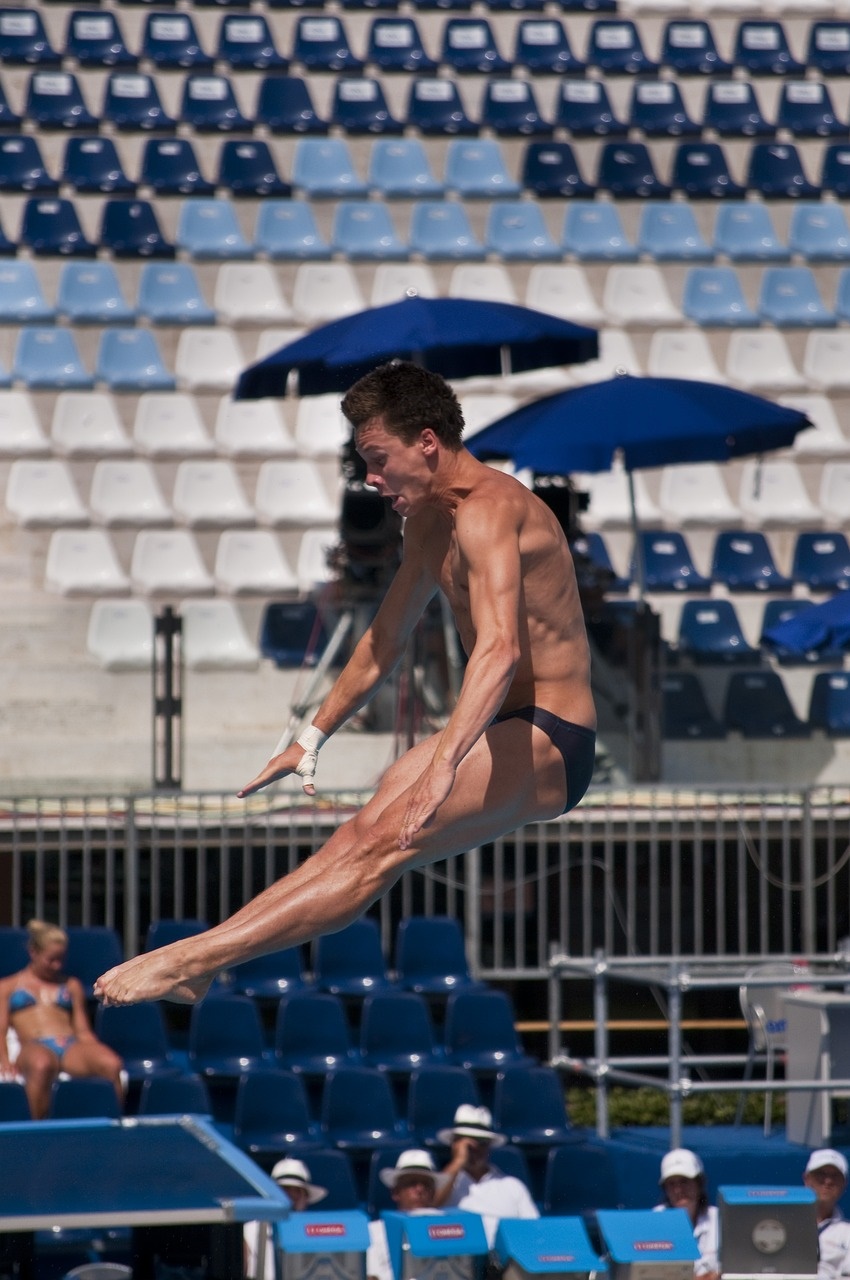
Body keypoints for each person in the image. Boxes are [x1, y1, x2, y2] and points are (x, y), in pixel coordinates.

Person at [93, 361, 597, 1008]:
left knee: (383, 848)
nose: (371, 478)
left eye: (379, 458)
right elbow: (381, 643)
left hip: (555, 738)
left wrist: (445, 764)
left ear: (427, 442)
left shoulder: (490, 512)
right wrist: (313, 735)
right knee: (358, 835)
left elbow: (498, 650)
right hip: (504, 730)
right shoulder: (427, 524)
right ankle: (200, 963)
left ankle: (192, 958)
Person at [0, 918, 124, 1120]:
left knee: (112, 1064)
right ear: (33, 952)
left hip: (69, 1045)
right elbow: (1, 1028)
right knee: (42, 1065)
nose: (57, 965)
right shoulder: (7, 986)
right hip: (34, 1045)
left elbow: (82, 1029)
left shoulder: (70, 985)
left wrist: (94, 1049)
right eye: (51, 960)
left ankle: (113, 1124)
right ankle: (36, 1128)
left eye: (61, 959)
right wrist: (4, 1059)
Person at [433, 1105, 538, 1247]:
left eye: (481, 1143)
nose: (474, 1149)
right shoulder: (447, 1184)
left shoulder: (512, 1186)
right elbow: (430, 1204)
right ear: (455, 1145)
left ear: (489, 1146)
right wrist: (458, 1161)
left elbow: (535, 1232)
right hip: (458, 1261)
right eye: (467, 1143)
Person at [367, 1149, 449, 1280]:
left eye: (426, 1184)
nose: (419, 1189)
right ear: (395, 1192)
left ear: (433, 1192)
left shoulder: (449, 1228)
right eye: (412, 1183)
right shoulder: (374, 1231)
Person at [244, 1158, 327, 1280]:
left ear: (306, 1199)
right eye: (285, 1189)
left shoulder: (320, 1234)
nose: (291, 1196)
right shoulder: (248, 1233)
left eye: (297, 1191)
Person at [655, 1149, 719, 1280]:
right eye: (671, 1184)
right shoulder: (654, 1220)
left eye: (684, 1181)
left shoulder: (720, 1219)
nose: (678, 1190)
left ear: (699, 1183)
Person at [803, 1148, 850, 1280]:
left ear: (844, 1184)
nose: (828, 1181)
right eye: (821, 1174)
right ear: (807, 1179)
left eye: (835, 1176)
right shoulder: (783, 1224)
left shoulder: (848, 1233)